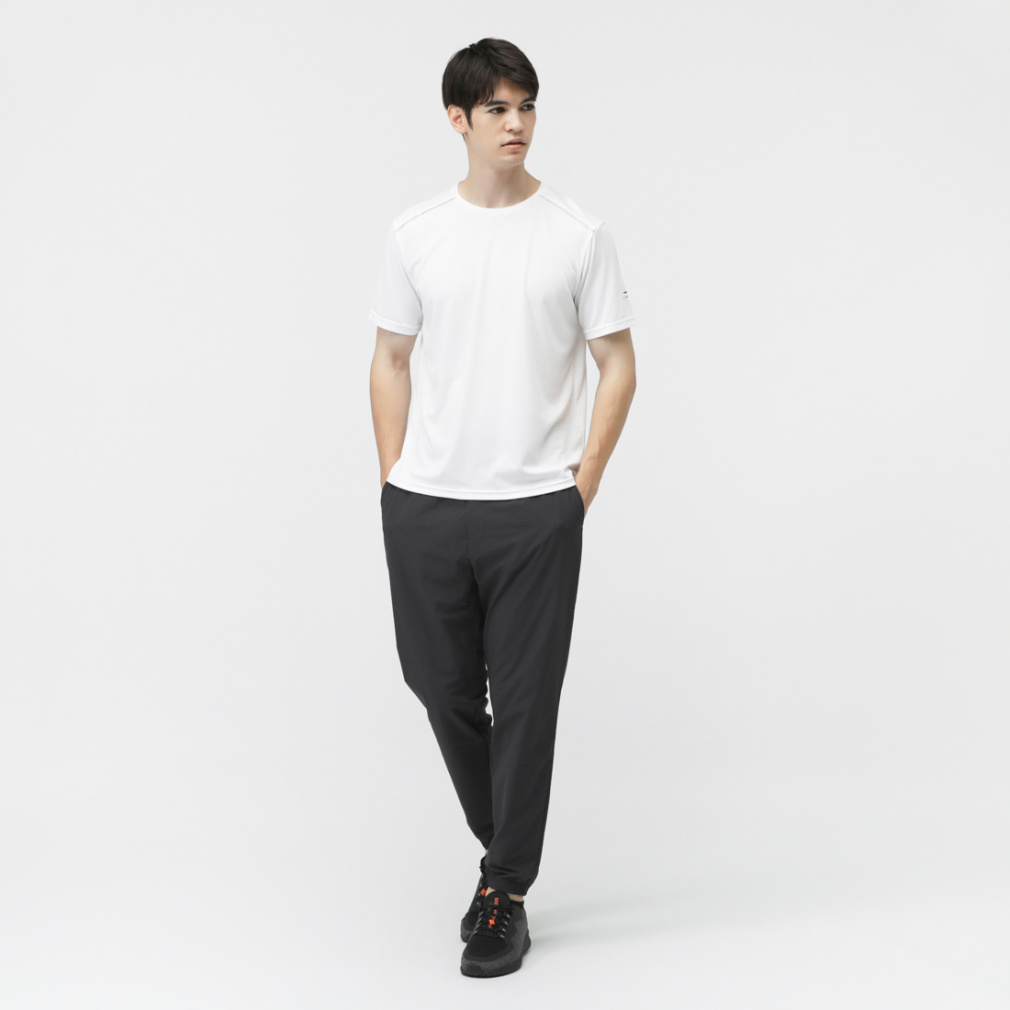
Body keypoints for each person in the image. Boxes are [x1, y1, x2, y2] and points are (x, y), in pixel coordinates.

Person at [368, 37, 637, 978]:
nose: (516, 124)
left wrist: (579, 488)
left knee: (524, 704)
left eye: (527, 106)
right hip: (428, 505)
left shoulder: (577, 233)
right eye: (497, 109)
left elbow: (617, 364)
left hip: (534, 510)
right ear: (459, 120)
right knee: (437, 684)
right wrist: (394, 483)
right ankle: (509, 846)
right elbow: (390, 358)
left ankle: (505, 891)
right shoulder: (416, 232)